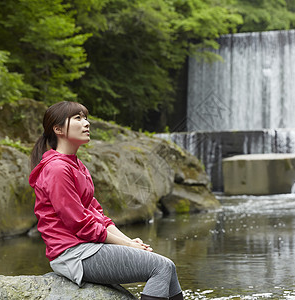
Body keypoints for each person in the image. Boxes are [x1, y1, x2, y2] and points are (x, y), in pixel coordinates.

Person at [29, 101, 183, 300]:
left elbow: (98, 216)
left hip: (86, 248)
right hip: (73, 254)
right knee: (159, 267)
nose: (86, 123)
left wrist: (129, 241)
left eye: (85, 117)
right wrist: (127, 247)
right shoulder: (57, 169)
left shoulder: (77, 165)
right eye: (78, 118)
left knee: (168, 266)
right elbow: (79, 223)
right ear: (57, 129)